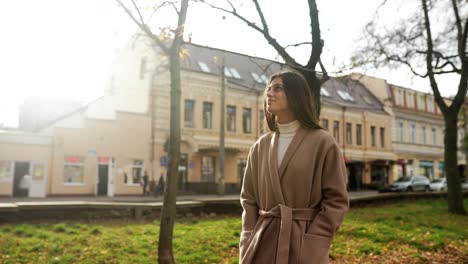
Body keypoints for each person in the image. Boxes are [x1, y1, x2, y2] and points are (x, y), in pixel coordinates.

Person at [239, 70, 349, 264]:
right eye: (268, 89)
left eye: (278, 88)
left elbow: (336, 201)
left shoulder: (323, 142)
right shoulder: (259, 146)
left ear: (296, 94)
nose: (269, 94)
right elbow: (248, 199)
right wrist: (248, 236)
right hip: (262, 243)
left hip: (303, 246)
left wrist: (315, 241)